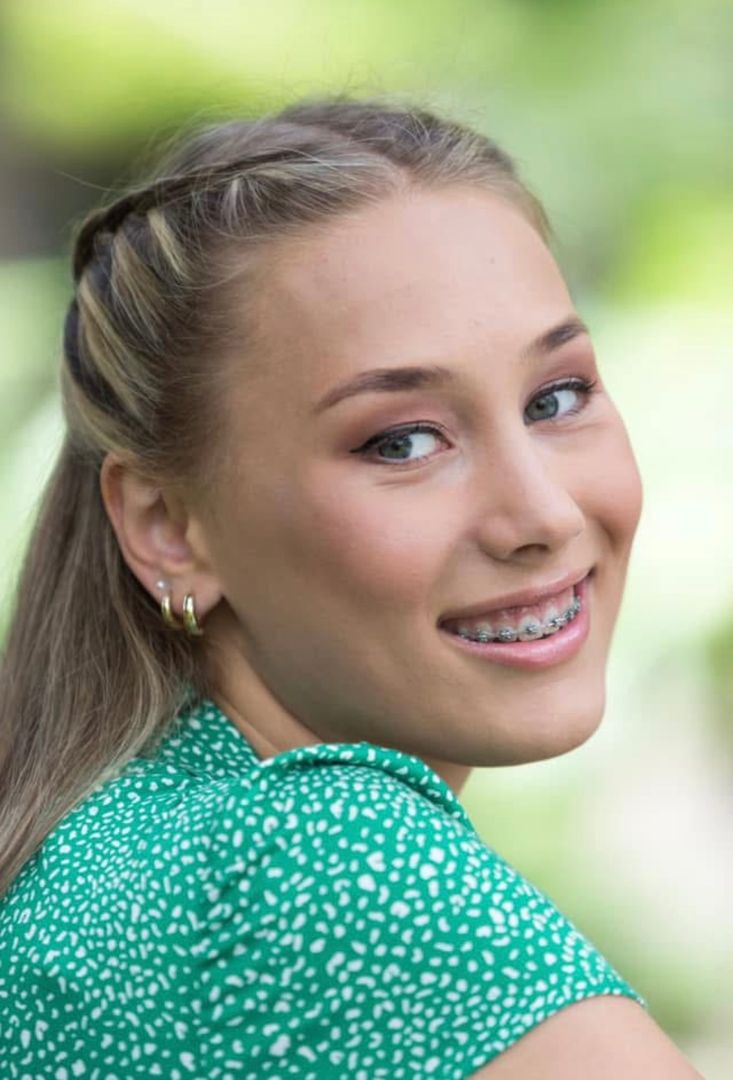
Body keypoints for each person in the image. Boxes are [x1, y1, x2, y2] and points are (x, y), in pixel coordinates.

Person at [0, 94, 702, 1078]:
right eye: (401, 441)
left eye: (555, 396)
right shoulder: (320, 863)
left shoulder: (118, 849)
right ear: (168, 527)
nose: (542, 515)